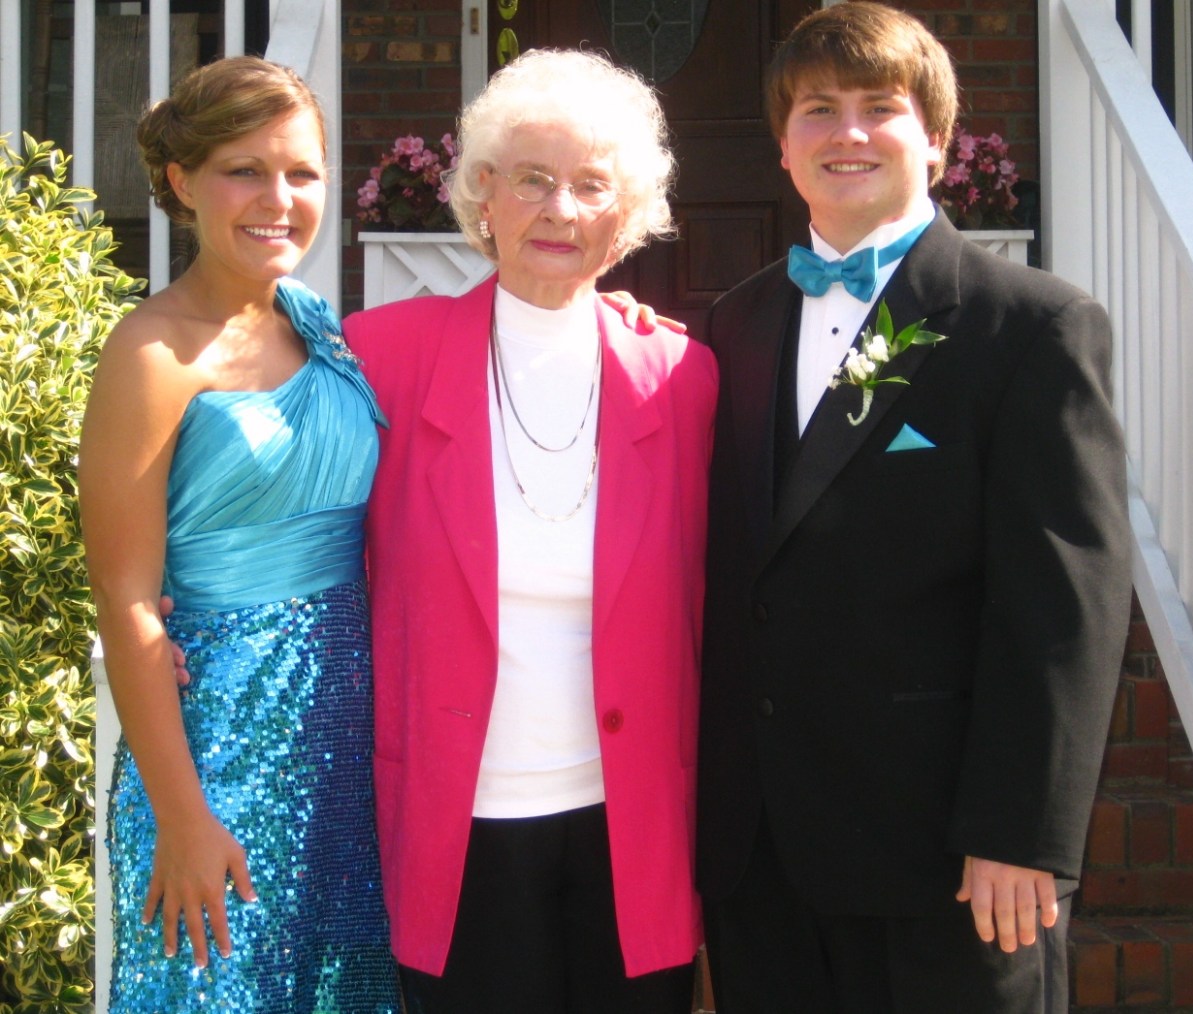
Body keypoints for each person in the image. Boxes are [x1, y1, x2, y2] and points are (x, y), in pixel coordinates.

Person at [697, 4, 1131, 1012]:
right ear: (783, 143)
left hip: (949, 863)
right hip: (764, 859)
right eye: (818, 108)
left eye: (879, 107)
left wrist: (1021, 832)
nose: (847, 132)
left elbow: (1064, 604)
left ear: (936, 140)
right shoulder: (734, 322)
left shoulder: (1030, 326)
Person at [341, 48, 717, 1014]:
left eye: (592, 185)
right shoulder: (383, 357)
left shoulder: (680, 378)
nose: (561, 210)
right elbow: (292, 507)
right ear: (484, 194)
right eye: (533, 180)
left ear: (627, 215)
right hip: (457, 822)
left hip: (630, 824)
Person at [79, 56, 399, 1012]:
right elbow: (126, 602)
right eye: (244, 171)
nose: (279, 199)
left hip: (348, 747)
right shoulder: (151, 355)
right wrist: (183, 818)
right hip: (215, 752)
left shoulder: (320, 326)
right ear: (181, 182)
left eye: (302, 172)